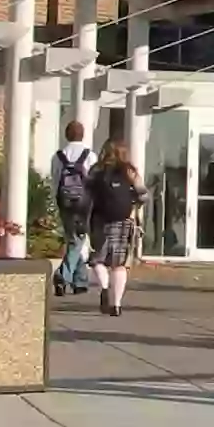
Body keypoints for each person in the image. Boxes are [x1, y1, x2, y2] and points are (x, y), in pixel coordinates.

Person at [84, 138, 145, 318]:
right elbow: (144, 196)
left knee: (97, 260)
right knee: (119, 265)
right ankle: (116, 305)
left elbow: (86, 196)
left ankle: (104, 287)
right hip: (124, 221)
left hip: (100, 220)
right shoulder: (130, 171)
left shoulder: (96, 170)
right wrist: (134, 206)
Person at [49, 121, 95, 297]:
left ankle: (80, 280)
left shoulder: (58, 156)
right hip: (84, 205)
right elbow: (94, 181)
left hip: (65, 203)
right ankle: (62, 275)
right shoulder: (90, 155)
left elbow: (54, 181)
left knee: (73, 239)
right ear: (82, 134)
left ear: (66, 135)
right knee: (78, 240)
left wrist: (55, 201)